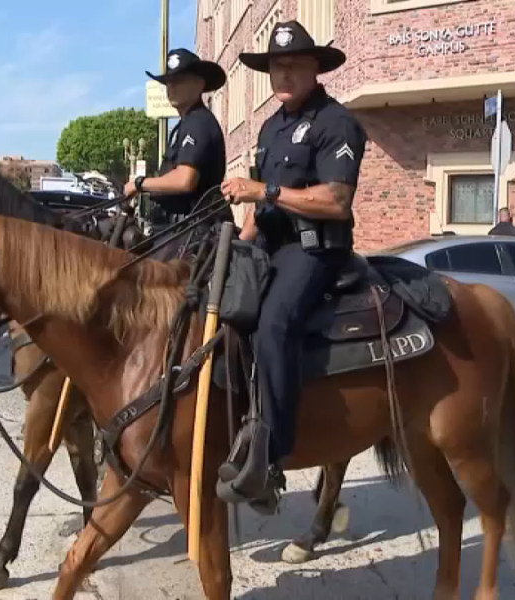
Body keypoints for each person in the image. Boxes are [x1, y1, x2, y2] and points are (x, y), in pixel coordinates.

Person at [217, 20, 367, 505]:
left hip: (315, 249)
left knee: (273, 323)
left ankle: (272, 457)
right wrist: (239, 246)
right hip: (270, 245)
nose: (283, 75)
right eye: (276, 67)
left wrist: (265, 191)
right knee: (216, 308)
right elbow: (261, 210)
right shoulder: (269, 126)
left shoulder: (336, 123)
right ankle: (231, 421)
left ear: (314, 69)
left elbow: (336, 201)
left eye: (293, 66)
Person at [122, 48, 228, 251]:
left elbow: (184, 180)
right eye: (168, 83)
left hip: (192, 234)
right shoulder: (186, 124)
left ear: (200, 84)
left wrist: (139, 183)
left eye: (179, 81)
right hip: (178, 230)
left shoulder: (198, 123)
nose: (171, 87)